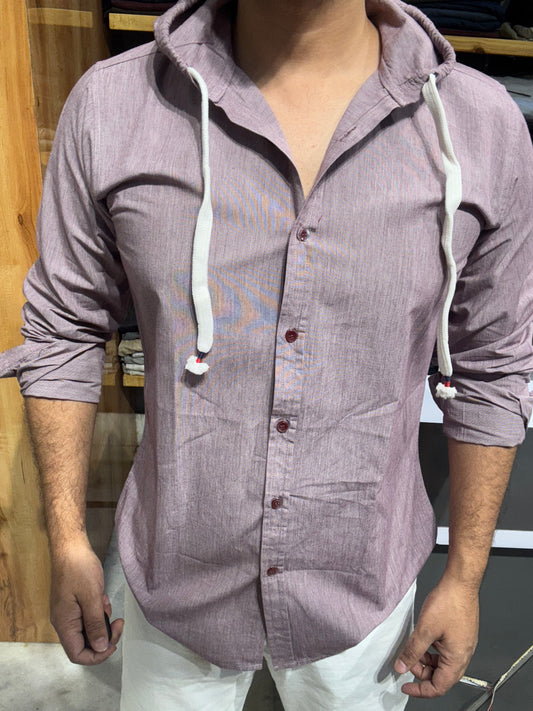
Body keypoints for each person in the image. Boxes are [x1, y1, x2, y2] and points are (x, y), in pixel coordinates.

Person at [1, 0, 532, 708]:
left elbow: (492, 363)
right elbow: (64, 329)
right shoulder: (113, 105)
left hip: (360, 593)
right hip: (174, 583)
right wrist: (66, 537)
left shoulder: (482, 126)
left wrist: (464, 575)